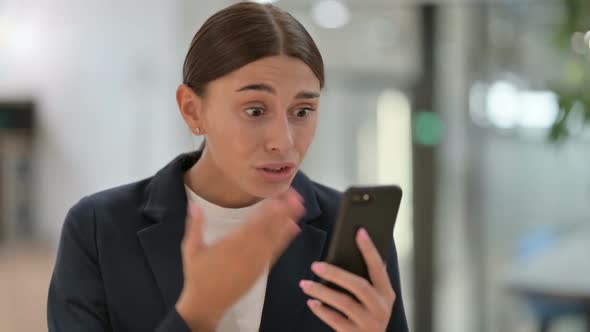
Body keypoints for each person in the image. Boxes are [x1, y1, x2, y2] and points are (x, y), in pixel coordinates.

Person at [47, 2, 408, 331]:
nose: (283, 141)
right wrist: (198, 312)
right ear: (192, 109)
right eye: (255, 110)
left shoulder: (350, 237)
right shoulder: (99, 229)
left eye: (302, 111)